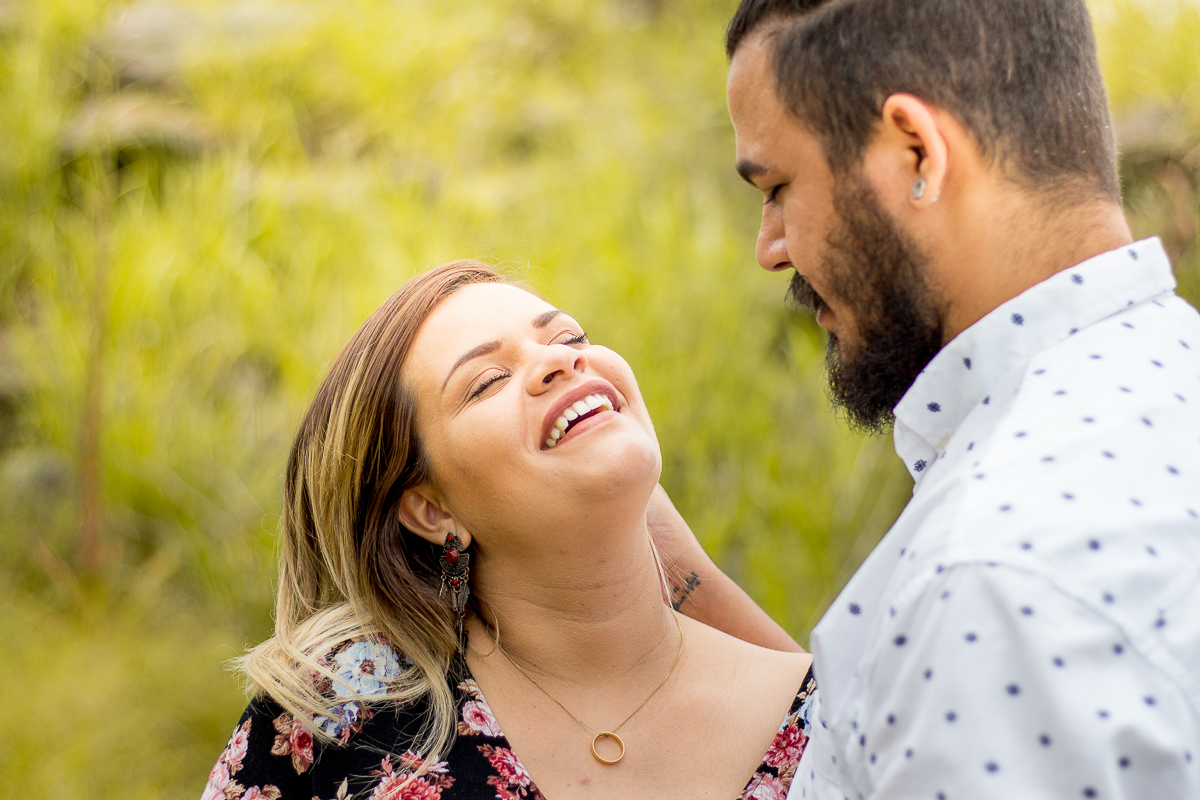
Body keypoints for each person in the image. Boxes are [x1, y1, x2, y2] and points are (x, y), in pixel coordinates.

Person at [652, 1, 1200, 798]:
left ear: (917, 151)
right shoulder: (1166, 380)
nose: (768, 248)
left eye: (777, 186)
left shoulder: (987, 581)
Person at [200, 261, 814, 800]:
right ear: (432, 510)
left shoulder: (829, 720)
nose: (560, 359)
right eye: (487, 381)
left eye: (570, 336)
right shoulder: (343, 706)